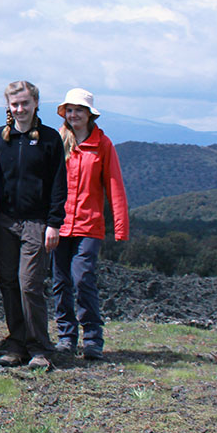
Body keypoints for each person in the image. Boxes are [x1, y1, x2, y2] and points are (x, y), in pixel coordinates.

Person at [0, 81, 67, 370]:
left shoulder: (49, 139)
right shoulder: (0, 138)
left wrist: (54, 223)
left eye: (25, 103)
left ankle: (38, 346)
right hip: (4, 222)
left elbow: (59, 184)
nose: (20, 108)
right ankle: (16, 342)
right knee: (8, 282)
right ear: (8, 106)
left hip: (37, 222)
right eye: (15, 104)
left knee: (29, 284)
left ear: (36, 103)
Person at [53, 88, 129, 361]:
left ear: (89, 114)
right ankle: (66, 336)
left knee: (83, 278)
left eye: (79, 110)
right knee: (61, 282)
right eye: (70, 110)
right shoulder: (58, 141)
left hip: (89, 224)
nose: (74, 115)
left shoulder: (102, 144)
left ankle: (93, 337)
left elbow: (114, 186)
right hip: (59, 225)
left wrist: (120, 227)